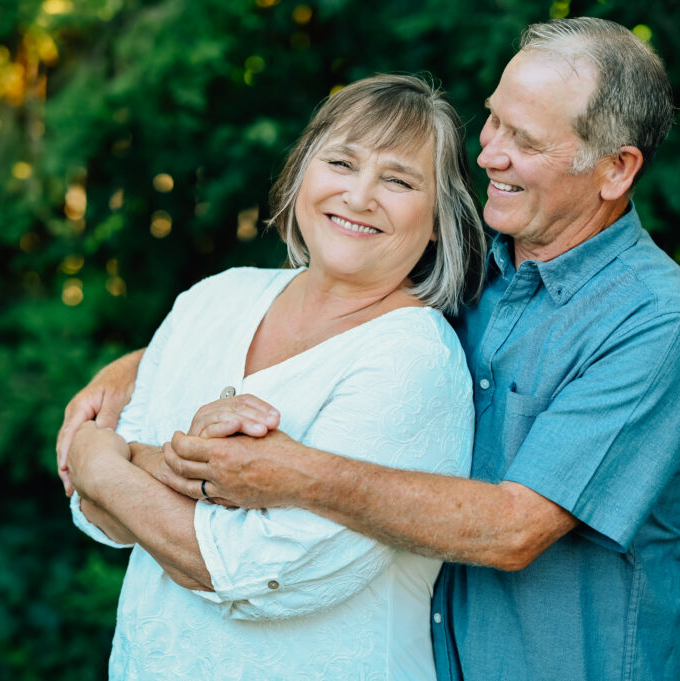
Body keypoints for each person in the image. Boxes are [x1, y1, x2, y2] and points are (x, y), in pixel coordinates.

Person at [60, 17, 680, 681]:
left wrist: (293, 473)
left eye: (524, 140)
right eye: (494, 121)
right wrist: (131, 371)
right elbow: (308, 313)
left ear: (615, 169)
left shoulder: (657, 324)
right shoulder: (475, 275)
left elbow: (513, 527)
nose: (490, 153)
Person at [62, 73, 489, 680]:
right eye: (341, 162)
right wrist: (113, 476)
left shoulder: (412, 360)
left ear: (440, 219)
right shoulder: (213, 299)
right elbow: (96, 515)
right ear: (300, 173)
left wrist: (103, 458)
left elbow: (249, 572)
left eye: (398, 179)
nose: (361, 195)